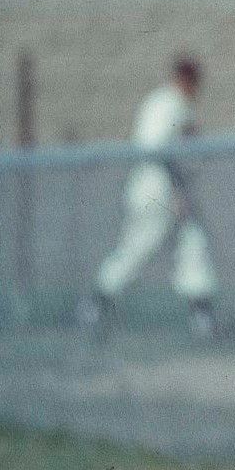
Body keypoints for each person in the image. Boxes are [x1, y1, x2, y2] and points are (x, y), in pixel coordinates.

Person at [82, 56, 217, 340]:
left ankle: (201, 314)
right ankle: (96, 303)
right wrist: (177, 191)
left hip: (167, 191)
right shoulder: (165, 104)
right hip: (156, 191)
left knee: (193, 246)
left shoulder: (177, 105)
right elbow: (156, 151)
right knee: (138, 250)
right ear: (185, 80)